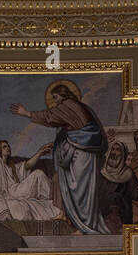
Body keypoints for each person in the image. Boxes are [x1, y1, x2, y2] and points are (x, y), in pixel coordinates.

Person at [9, 82, 110, 235]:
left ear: (64, 95)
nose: (55, 102)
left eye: (56, 97)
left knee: (80, 189)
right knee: (69, 185)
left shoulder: (69, 104)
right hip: (79, 151)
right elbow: (69, 130)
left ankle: (85, 226)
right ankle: (68, 217)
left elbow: (50, 117)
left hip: (81, 152)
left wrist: (27, 113)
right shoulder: (76, 108)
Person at [0, 140, 60, 222]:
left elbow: (27, 165)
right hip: (11, 192)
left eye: (8, 146)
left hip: (17, 189)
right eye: (4, 147)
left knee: (39, 173)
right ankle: (55, 201)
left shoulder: (11, 166)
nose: (8, 148)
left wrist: (40, 152)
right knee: (38, 173)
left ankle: (53, 199)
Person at [97, 140, 138, 231]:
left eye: (117, 150)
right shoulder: (102, 171)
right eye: (113, 149)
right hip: (101, 213)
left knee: (115, 197)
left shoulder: (128, 173)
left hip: (121, 214)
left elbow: (135, 195)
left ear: (123, 154)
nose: (114, 152)